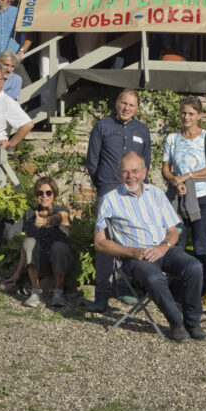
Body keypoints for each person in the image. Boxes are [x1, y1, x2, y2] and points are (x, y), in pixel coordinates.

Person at [95, 152, 206, 342]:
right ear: (119, 173)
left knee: (194, 267)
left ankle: (193, 323)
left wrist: (164, 247)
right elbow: (100, 242)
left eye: (135, 171)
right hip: (135, 257)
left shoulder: (156, 194)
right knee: (155, 278)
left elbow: (173, 230)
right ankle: (176, 323)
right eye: (125, 172)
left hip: (164, 249)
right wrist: (131, 251)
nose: (131, 176)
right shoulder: (110, 199)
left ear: (144, 172)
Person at [86, 89, 152, 313]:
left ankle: (123, 287)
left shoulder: (142, 130)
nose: (127, 108)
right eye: (124, 103)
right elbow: (92, 161)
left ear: (137, 108)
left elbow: (146, 163)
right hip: (107, 190)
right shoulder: (102, 127)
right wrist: (104, 184)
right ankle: (102, 294)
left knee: (128, 240)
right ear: (117, 103)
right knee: (104, 243)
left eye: (132, 105)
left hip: (132, 193)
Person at [161, 97, 206, 293]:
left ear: (199, 115)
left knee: (201, 245)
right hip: (177, 197)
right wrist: (175, 181)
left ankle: (200, 290)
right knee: (178, 243)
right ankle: (177, 289)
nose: (187, 117)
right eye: (184, 112)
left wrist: (187, 176)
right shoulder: (172, 138)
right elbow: (166, 170)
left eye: (191, 113)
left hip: (202, 197)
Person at [4, 176, 74, 308]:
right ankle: (36, 292)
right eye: (40, 193)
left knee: (59, 246)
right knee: (29, 241)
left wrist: (46, 221)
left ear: (54, 194)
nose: (44, 196)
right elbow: (25, 248)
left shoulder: (61, 210)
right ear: (36, 195)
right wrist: (17, 274)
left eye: (48, 192)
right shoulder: (30, 215)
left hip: (60, 261)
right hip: (41, 263)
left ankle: (58, 292)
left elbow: (61, 218)